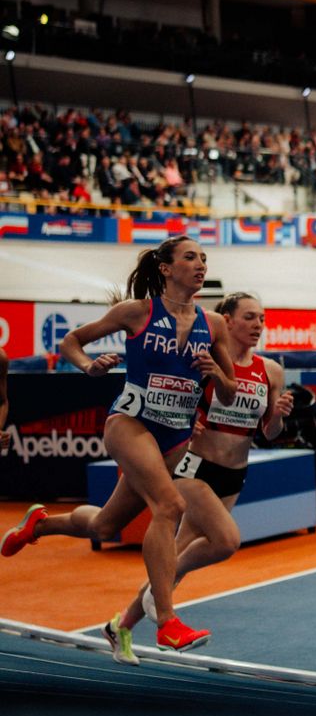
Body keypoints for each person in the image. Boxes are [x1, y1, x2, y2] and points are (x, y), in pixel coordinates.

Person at [2, 237, 238, 661]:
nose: (200, 264)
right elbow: (72, 340)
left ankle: (38, 525)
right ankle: (166, 622)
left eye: (204, 259)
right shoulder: (138, 312)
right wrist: (87, 366)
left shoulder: (214, 323)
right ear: (165, 268)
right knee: (169, 505)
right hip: (130, 422)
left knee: (105, 527)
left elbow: (230, 391)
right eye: (190, 258)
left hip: (174, 436)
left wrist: (215, 372)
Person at [109, 292, 293, 651]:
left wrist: (280, 416)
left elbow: (269, 433)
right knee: (225, 541)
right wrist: (183, 425)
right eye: (250, 317)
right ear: (227, 320)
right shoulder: (205, 362)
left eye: (262, 319)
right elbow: (171, 398)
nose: (258, 325)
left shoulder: (271, 371)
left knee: (175, 557)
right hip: (194, 466)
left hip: (233, 475)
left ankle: (121, 624)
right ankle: (163, 596)